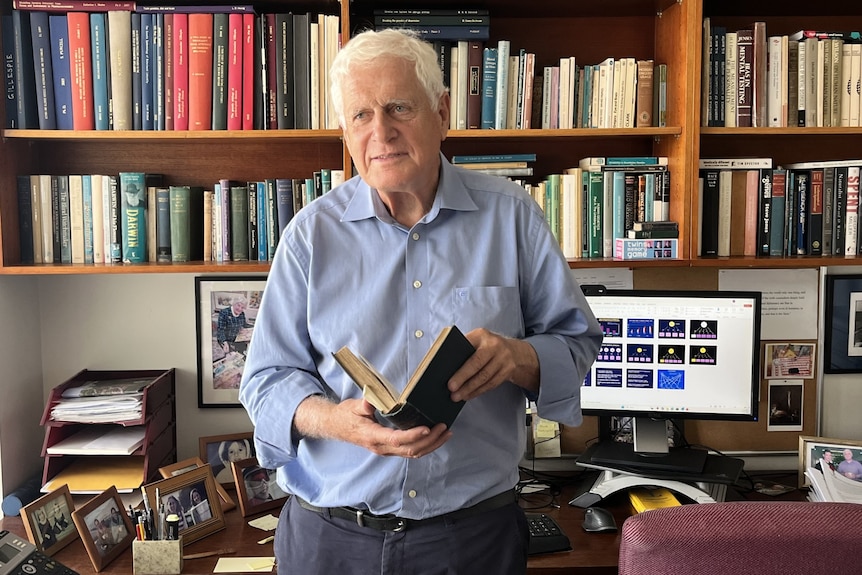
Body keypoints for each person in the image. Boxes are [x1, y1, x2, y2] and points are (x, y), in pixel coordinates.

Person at [239, 28, 601, 575]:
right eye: (360, 115)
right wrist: (338, 422)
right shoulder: (311, 235)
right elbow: (265, 380)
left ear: (443, 111)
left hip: (473, 539)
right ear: (345, 131)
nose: (380, 132)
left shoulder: (513, 216)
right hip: (330, 540)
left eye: (398, 107)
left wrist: (518, 357)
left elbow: (576, 344)